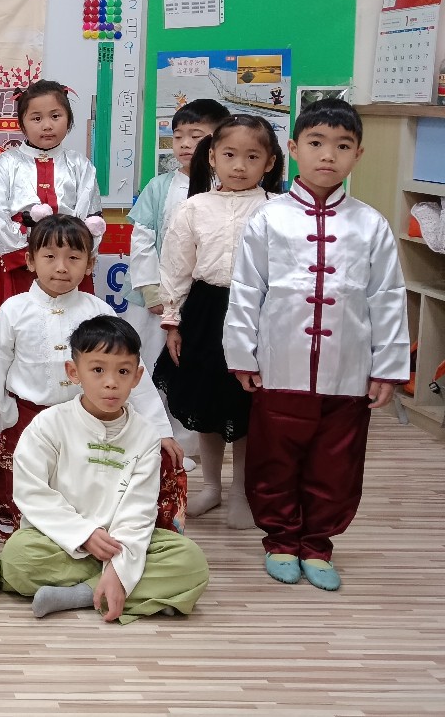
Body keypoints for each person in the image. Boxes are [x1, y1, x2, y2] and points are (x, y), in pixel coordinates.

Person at [225, 98, 409, 590]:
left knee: (336, 463)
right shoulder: (268, 219)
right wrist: (241, 353)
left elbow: (388, 296)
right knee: (275, 459)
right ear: (293, 149)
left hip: (348, 370)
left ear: (358, 154)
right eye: (316, 143)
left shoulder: (371, 224)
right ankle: (281, 540)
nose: (328, 155)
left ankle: (318, 544)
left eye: (342, 146)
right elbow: (246, 289)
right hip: (279, 364)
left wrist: (388, 366)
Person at [0, 214, 185, 540]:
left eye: (73, 258)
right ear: (30, 260)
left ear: (89, 264)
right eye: (50, 256)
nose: (61, 267)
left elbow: (131, 370)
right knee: (24, 499)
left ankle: (84, 527)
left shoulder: (98, 311)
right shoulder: (13, 310)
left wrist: (160, 429)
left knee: (82, 491)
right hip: (24, 421)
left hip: (83, 423)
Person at [0, 317, 210, 624]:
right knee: (17, 557)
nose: (111, 382)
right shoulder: (48, 425)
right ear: (74, 372)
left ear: (137, 376)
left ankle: (83, 594)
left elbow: (139, 508)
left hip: (121, 543)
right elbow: (31, 492)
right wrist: (83, 534)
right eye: (98, 370)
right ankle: (136, 592)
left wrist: (119, 566)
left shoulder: (146, 435)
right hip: (60, 540)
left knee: (191, 562)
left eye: (122, 371)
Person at [154, 115, 283, 528]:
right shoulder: (194, 208)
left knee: (246, 407)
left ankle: (242, 492)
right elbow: (176, 267)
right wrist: (173, 322)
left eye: (252, 157)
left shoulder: (277, 210)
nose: (239, 166)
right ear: (212, 157)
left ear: (270, 162)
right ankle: (211, 486)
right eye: (229, 155)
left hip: (258, 312)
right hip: (205, 312)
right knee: (207, 403)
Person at [124, 98, 229, 385]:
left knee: (193, 367)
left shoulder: (227, 187)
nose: (185, 144)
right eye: (178, 136)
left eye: (196, 136)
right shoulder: (159, 186)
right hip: (158, 296)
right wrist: (150, 290)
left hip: (205, 298)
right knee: (146, 362)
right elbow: (142, 239)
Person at [0, 79, 102, 317]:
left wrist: (74, 254)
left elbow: (91, 216)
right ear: (22, 124)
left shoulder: (80, 164)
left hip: (67, 261)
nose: (47, 126)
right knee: (20, 321)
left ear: (69, 120)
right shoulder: (7, 162)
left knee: (73, 324)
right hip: (21, 261)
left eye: (55, 116)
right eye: (36, 118)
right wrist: (28, 255)